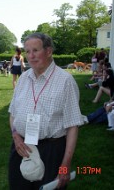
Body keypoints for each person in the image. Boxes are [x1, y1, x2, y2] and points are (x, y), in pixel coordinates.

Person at [8, 33, 85, 190]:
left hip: (51, 151)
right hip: (21, 147)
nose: (31, 56)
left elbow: (72, 126)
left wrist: (64, 166)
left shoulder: (65, 81)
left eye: (35, 50)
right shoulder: (23, 79)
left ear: (48, 51)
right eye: (27, 51)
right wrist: (15, 135)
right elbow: (13, 114)